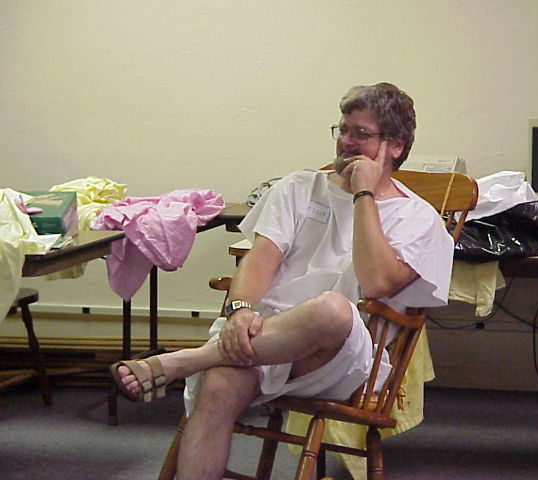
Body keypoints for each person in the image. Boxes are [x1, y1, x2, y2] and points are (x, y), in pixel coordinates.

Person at [110, 82, 454, 479]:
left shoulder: (419, 218)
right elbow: (259, 261)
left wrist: (363, 195)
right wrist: (240, 312)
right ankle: (202, 362)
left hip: (339, 356)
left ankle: (184, 361)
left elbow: (376, 283)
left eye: (361, 134)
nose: (346, 142)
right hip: (262, 335)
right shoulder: (298, 187)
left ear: (395, 146)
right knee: (218, 386)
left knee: (333, 308)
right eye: (343, 130)